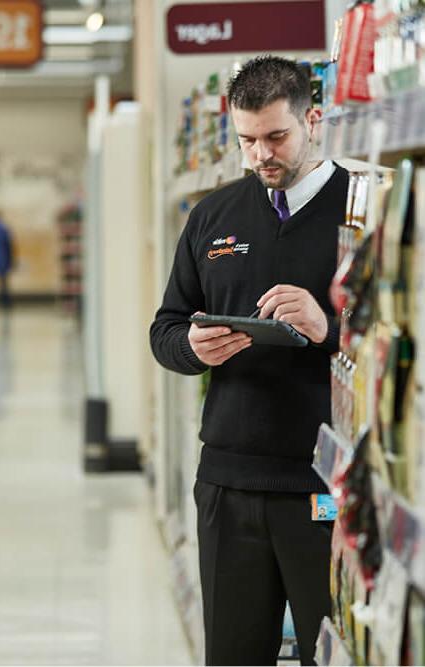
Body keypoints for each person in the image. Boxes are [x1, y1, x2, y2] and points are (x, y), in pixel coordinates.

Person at [150, 56, 348, 666]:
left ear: (313, 119)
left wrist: (329, 328)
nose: (261, 155)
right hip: (227, 485)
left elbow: (404, 346)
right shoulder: (212, 217)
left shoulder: (361, 212)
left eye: (276, 137)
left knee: (332, 652)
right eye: (246, 140)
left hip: (323, 489)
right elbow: (165, 329)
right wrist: (191, 347)